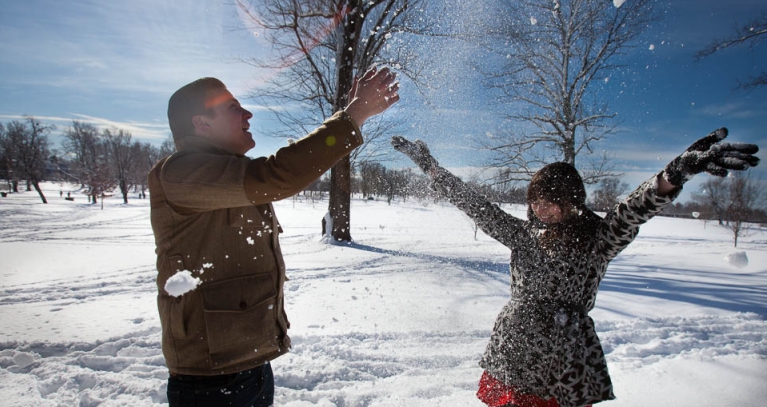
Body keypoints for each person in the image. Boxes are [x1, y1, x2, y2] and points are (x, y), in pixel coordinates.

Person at [391, 128, 759, 407]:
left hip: (561, 358)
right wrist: (431, 167)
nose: (541, 208)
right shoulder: (523, 234)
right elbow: (476, 205)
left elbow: (632, 211)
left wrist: (674, 174)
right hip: (514, 349)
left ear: (572, 201)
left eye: (551, 201)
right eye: (535, 200)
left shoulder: (598, 238)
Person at [149, 66, 399, 407]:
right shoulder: (180, 173)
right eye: (233, 107)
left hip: (251, 364)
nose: (247, 114)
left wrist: (350, 115)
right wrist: (353, 116)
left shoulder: (226, 174)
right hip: (210, 380)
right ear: (201, 122)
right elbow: (277, 176)